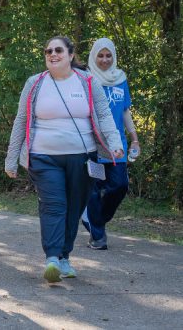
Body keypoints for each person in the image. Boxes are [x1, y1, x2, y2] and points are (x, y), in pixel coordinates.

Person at [4, 36, 124, 284]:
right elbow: (21, 120)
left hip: (83, 157)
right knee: (54, 204)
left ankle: (64, 257)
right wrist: (11, 157)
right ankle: (52, 259)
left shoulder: (87, 82)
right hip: (43, 156)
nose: (53, 54)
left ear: (71, 55)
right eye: (48, 50)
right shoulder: (35, 83)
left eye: (58, 50)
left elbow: (103, 114)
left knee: (74, 207)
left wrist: (114, 144)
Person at [81, 37, 140, 250]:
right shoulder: (86, 78)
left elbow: (125, 110)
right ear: (93, 56)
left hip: (117, 146)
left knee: (119, 185)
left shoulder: (120, 78)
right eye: (100, 55)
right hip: (93, 146)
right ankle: (98, 236)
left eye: (108, 56)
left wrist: (134, 137)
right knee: (95, 188)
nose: (105, 60)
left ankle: (94, 219)